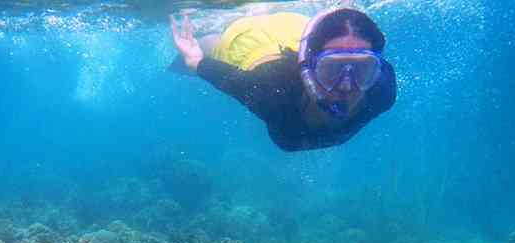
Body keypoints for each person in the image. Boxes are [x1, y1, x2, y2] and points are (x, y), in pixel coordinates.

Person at [170, 8, 396, 152]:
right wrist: (195, 59)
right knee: (216, 44)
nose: (346, 85)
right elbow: (222, 75)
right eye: (331, 69)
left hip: (299, 30)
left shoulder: (382, 92)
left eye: (363, 69)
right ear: (307, 67)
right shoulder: (270, 93)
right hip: (253, 41)